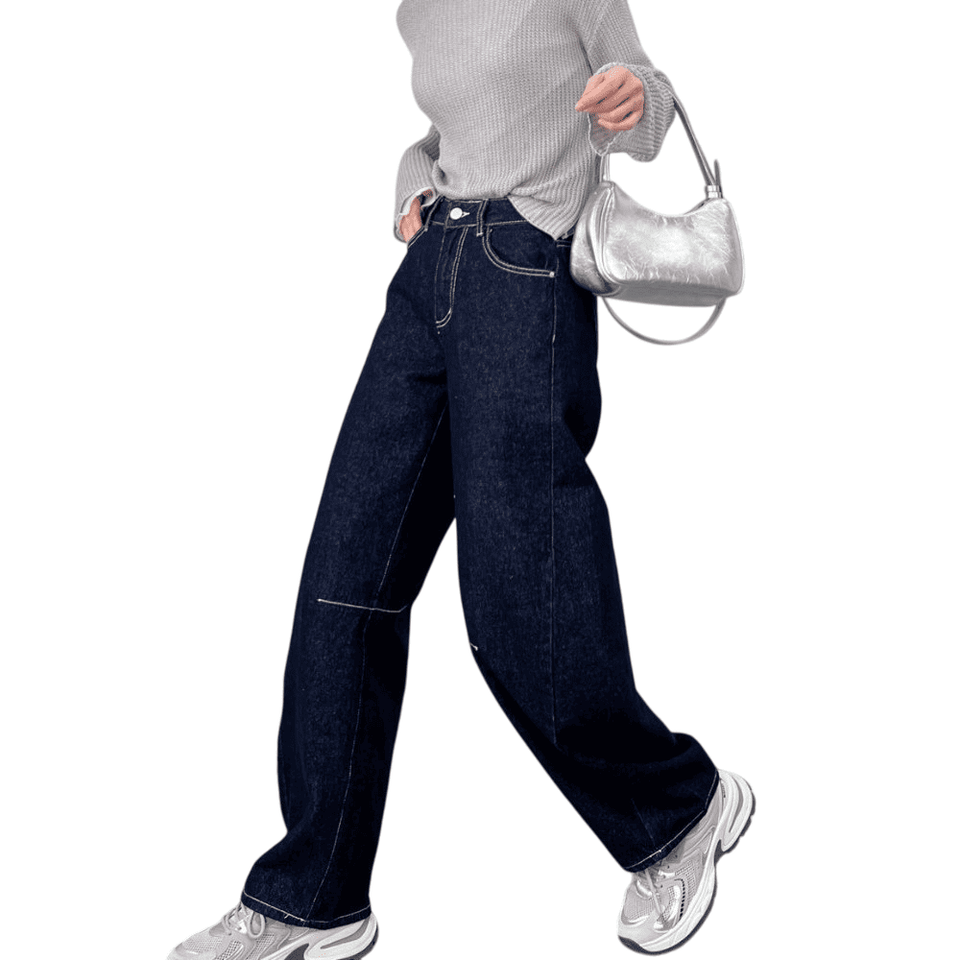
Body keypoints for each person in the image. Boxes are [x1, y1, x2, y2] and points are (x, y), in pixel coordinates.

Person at [166, 1, 753, 958]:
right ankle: (313, 896)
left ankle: (679, 810)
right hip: (430, 273)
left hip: (526, 270)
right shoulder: (418, 8)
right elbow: (448, 135)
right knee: (343, 583)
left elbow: (648, 105)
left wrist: (629, 99)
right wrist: (413, 183)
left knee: (520, 597)